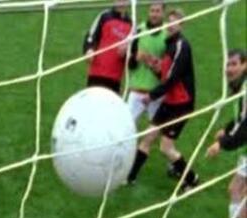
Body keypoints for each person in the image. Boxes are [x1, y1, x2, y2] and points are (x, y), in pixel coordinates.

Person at [126, 9, 198, 192]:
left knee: (166, 147)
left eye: (175, 22)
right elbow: (165, 74)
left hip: (181, 104)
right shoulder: (169, 44)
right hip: (169, 101)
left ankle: (192, 179)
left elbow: (172, 78)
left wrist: (151, 95)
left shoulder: (182, 46)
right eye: (170, 21)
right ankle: (130, 177)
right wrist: (153, 64)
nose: (171, 25)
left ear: (182, 25)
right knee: (148, 137)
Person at [206, 49, 246, 218]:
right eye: (227, 64)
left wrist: (222, 143)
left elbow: (245, 129)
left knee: (244, 206)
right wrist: (227, 128)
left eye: (234, 64)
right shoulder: (240, 87)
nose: (229, 69)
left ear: (245, 65)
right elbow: (241, 118)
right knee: (235, 190)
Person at [126, 2, 166, 121]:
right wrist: (135, 57)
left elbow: (169, 67)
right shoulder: (139, 30)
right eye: (152, 11)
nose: (154, 14)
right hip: (136, 91)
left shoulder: (168, 33)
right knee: (126, 126)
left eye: (157, 11)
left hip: (156, 93)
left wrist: (148, 59)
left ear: (163, 13)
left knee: (158, 129)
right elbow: (130, 65)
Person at [83, 0, 133, 94]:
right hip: (97, 73)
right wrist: (89, 49)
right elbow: (91, 36)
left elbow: (132, 52)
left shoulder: (131, 23)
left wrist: (126, 52)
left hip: (115, 78)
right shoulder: (105, 16)